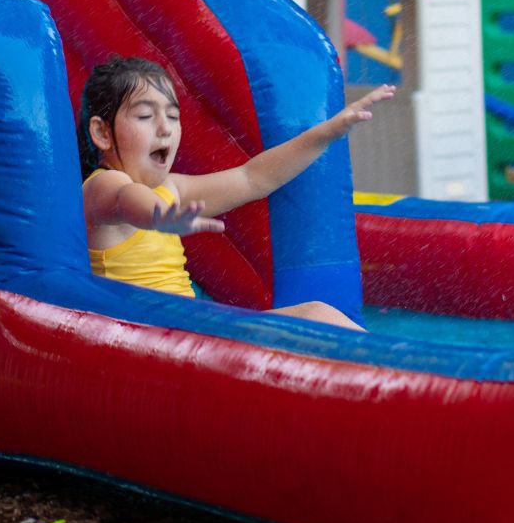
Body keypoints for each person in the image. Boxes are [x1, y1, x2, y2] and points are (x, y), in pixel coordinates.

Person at [77, 56, 391, 331]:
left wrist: (328, 132)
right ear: (102, 132)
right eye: (145, 116)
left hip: (191, 331)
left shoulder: (170, 189)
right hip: (153, 340)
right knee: (316, 315)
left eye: (172, 116)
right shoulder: (101, 185)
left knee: (318, 315)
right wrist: (158, 216)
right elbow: (126, 199)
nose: (165, 128)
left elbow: (253, 178)